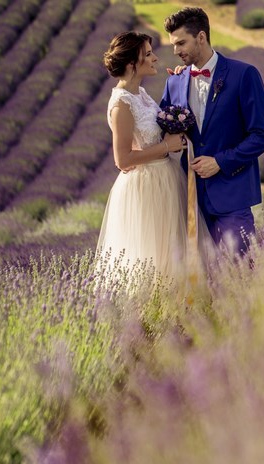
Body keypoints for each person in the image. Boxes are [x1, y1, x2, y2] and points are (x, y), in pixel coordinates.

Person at [161, 7, 264, 257]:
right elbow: (163, 131)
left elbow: (263, 134)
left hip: (232, 196)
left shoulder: (243, 75)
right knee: (201, 286)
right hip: (189, 201)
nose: (176, 51)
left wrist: (220, 162)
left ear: (201, 37)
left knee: (240, 276)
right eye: (173, 45)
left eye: (181, 43)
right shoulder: (174, 82)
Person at [97, 31, 190, 280]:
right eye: (148, 54)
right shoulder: (121, 104)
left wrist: (182, 80)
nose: (155, 58)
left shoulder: (142, 94)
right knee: (151, 261)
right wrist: (166, 147)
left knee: (172, 257)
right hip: (145, 187)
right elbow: (123, 160)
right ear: (131, 64)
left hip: (165, 179)